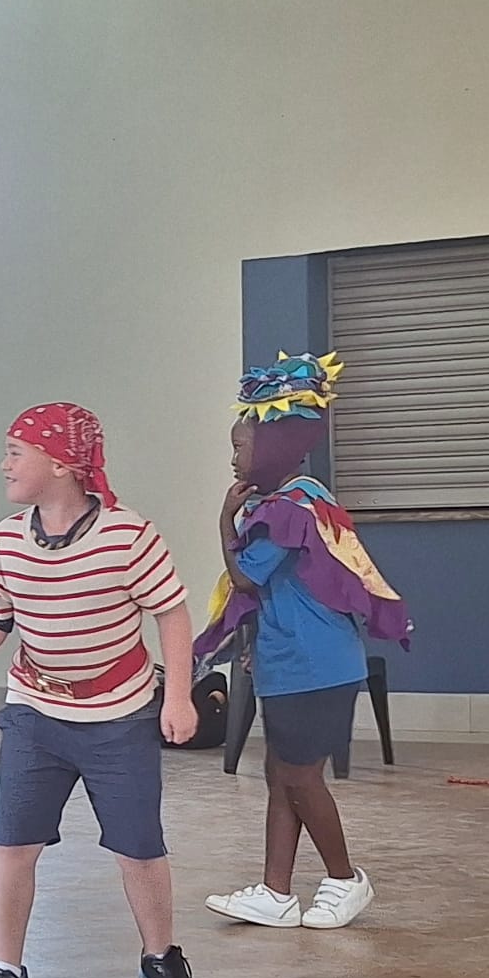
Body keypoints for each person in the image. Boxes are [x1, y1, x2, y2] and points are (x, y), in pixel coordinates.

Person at [0, 403, 203, 978]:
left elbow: (172, 615)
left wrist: (180, 696)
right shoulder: (7, 538)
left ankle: (161, 955)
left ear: (61, 464)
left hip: (120, 716)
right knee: (12, 843)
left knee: (138, 846)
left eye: (15, 453)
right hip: (34, 712)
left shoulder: (128, 535)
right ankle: (6, 970)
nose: (3, 464)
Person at [201, 353, 410, 930]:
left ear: (271, 447)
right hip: (291, 662)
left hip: (316, 667)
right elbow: (280, 593)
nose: (234, 459)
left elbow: (246, 579)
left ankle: (345, 878)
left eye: (240, 447)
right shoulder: (292, 502)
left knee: (299, 777)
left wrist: (224, 522)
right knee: (280, 775)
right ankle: (275, 892)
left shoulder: (289, 508)